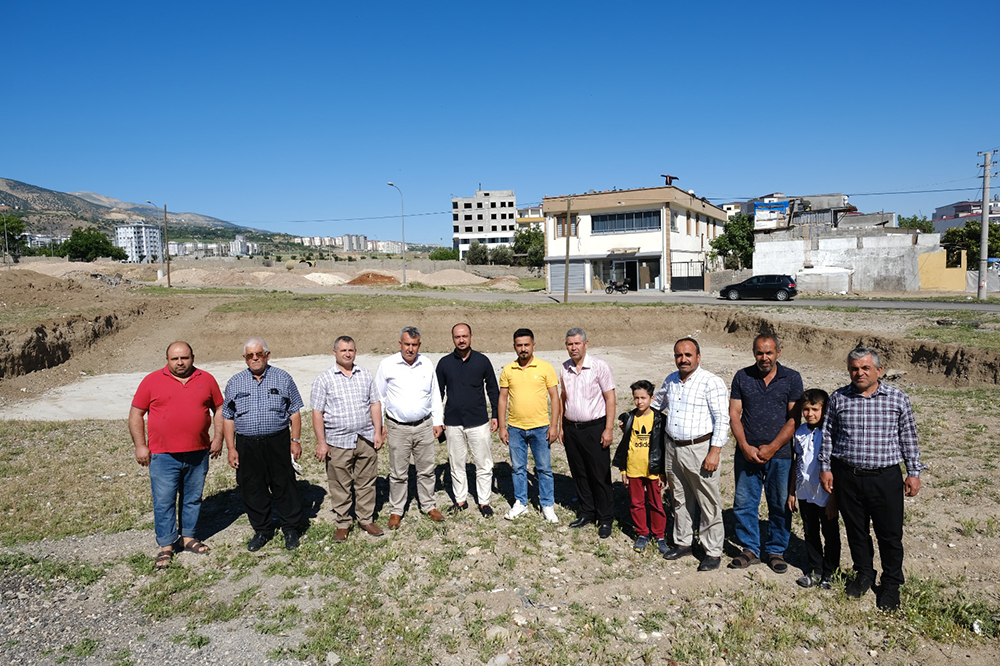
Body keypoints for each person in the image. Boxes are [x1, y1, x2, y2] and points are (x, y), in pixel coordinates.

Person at [819, 347, 922, 611]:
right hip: (848, 476)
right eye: (854, 368)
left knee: (889, 534)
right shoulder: (839, 399)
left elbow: (908, 437)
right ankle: (864, 573)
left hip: (885, 478)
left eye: (865, 368)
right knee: (856, 530)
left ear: (879, 370)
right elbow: (828, 436)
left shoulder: (897, 399)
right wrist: (826, 468)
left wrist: (913, 472)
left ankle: (891, 583)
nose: (859, 373)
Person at [129, 341, 224, 570]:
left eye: (185, 358)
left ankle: (188, 536)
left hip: (198, 453)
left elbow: (219, 408)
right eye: (175, 359)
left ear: (193, 357)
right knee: (164, 501)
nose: (180, 363)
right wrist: (141, 446)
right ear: (167, 360)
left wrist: (218, 438)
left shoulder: (206, 379)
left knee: (192, 498)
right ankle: (167, 545)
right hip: (163, 455)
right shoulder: (151, 381)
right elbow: (136, 414)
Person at [652, 337, 730, 571]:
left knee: (708, 501)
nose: (683, 359)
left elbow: (722, 419)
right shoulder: (671, 380)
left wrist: (714, 451)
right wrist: (635, 416)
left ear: (698, 357)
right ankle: (684, 542)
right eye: (678, 355)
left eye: (688, 355)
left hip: (700, 449)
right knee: (679, 498)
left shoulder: (711, 382)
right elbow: (656, 404)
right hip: (672, 448)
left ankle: (712, 551)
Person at [728, 334, 804, 573]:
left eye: (769, 352)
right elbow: (734, 414)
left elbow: (794, 419)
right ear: (754, 353)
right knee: (744, 503)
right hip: (747, 454)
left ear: (778, 353)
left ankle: (775, 550)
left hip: (779, 455)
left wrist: (772, 447)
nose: (764, 357)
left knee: (779, 504)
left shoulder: (792, 378)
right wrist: (744, 446)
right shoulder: (742, 376)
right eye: (760, 353)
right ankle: (750, 548)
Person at [223, 338, 305, 551]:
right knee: (252, 487)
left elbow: (294, 411)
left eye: (259, 354)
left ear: (268, 355)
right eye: (250, 355)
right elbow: (227, 416)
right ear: (245, 358)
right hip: (247, 444)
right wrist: (231, 448)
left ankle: (290, 528)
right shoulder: (234, 382)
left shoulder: (282, 378)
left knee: (284, 484)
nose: (255, 358)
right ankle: (263, 530)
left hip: (277, 440)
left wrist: (295, 440)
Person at [311, 335, 384, 542]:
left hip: (365, 437)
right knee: (340, 484)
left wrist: (377, 432)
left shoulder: (365, 374)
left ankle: (365, 519)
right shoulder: (324, 379)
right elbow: (317, 412)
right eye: (343, 350)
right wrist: (321, 442)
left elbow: (375, 404)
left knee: (366, 481)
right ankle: (343, 522)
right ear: (334, 352)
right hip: (338, 441)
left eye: (351, 350)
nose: (347, 353)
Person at [375, 326, 445, 529]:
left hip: (424, 425)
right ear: (400, 344)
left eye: (414, 345)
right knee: (398, 472)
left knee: (426, 469)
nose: (410, 349)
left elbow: (435, 394)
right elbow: (379, 397)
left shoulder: (426, 363)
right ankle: (397, 509)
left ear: (419, 345)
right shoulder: (387, 365)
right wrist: (379, 426)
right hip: (398, 427)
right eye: (407, 344)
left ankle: (428, 505)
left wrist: (438, 421)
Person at [436, 323, 500, 517]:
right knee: (456, 463)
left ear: (471, 336)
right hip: (453, 422)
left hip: (478, 421)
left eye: (464, 336)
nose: (461, 340)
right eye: (457, 337)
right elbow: (437, 394)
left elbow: (492, 389)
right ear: (453, 339)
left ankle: (484, 502)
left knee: (484, 463)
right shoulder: (444, 363)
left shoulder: (482, 361)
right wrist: (438, 420)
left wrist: (496, 414)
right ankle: (461, 500)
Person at [498, 328, 561, 522]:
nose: (523, 349)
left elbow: (555, 398)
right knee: (518, 468)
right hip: (515, 428)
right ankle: (521, 503)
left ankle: (547, 504)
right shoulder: (508, 369)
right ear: (514, 347)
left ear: (534, 345)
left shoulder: (545, 367)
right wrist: (502, 427)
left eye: (526, 345)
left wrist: (554, 426)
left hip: (540, 427)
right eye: (519, 345)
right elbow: (502, 399)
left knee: (543, 468)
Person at [560, 328, 617, 538]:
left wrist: (608, 429)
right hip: (572, 428)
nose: (573, 348)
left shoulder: (599, 366)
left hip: (595, 428)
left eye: (577, 343)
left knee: (599, 474)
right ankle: (587, 512)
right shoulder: (565, 368)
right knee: (579, 472)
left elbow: (610, 398)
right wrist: (561, 426)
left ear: (586, 344)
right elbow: (563, 397)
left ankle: (605, 518)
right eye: (569, 344)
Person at [787, 388, 840, 589]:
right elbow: (797, 461)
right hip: (804, 491)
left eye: (815, 409)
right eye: (806, 409)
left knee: (830, 533)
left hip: (826, 493)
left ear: (824, 410)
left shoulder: (831, 433)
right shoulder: (800, 432)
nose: (810, 414)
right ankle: (815, 570)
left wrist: (834, 498)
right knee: (810, 531)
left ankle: (830, 572)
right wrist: (792, 491)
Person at [612, 380, 668, 554]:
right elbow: (624, 445)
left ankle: (659, 536)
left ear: (652, 398)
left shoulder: (660, 419)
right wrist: (623, 470)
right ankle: (642, 533)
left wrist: (663, 473)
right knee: (636, 503)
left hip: (653, 470)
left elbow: (663, 447)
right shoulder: (629, 418)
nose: (639, 402)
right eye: (636, 398)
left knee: (656, 504)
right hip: (634, 469)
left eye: (643, 398)